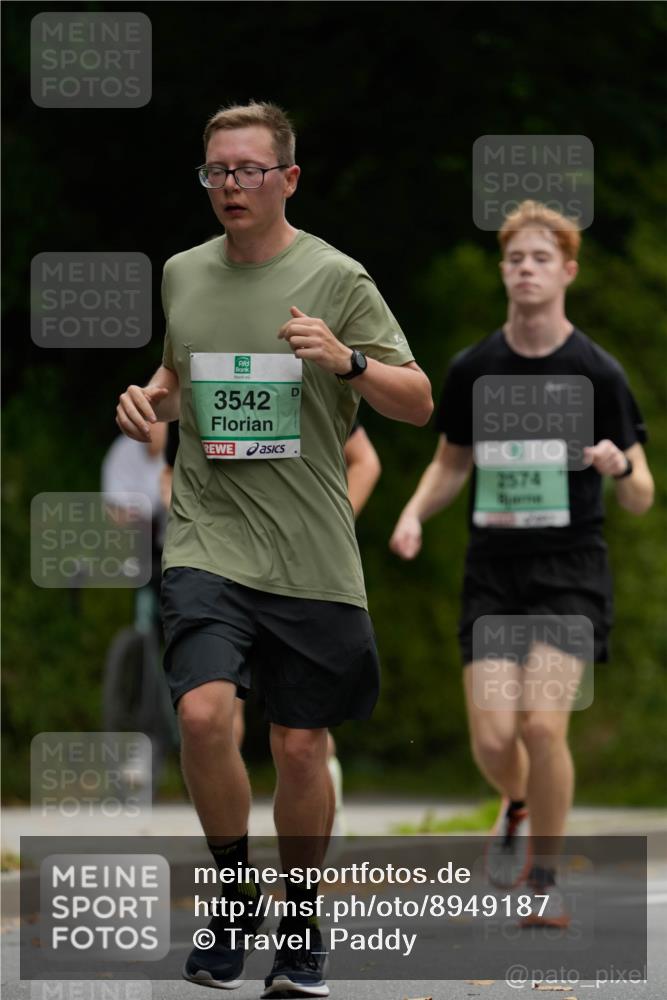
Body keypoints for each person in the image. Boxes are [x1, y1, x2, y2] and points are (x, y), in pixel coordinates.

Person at [115, 100, 432, 997]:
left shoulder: (336, 276)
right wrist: (148, 400)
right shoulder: (181, 273)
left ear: (287, 178)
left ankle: (300, 916)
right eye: (216, 170)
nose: (230, 186)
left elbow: (416, 401)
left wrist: (346, 361)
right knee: (206, 716)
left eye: (249, 170)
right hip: (208, 541)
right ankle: (231, 893)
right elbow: (178, 379)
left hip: (310, 554)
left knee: (299, 749)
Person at [390, 200, 653, 927]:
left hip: (569, 572)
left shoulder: (595, 372)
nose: (525, 269)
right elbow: (449, 465)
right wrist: (413, 513)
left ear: (566, 271)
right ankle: (515, 803)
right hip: (493, 573)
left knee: (542, 727)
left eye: (540, 258)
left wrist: (614, 464)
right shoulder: (475, 368)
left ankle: (542, 880)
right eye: (514, 259)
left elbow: (640, 495)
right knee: (494, 740)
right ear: (502, 273)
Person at [160, 419, 382, 833]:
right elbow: (171, 472)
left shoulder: (300, 368)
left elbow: (366, 460)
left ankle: (317, 782)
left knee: (301, 741)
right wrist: (193, 524)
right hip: (221, 566)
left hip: (303, 570)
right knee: (213, 709)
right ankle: (230, 842)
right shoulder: (200, 370)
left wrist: (327, 527)